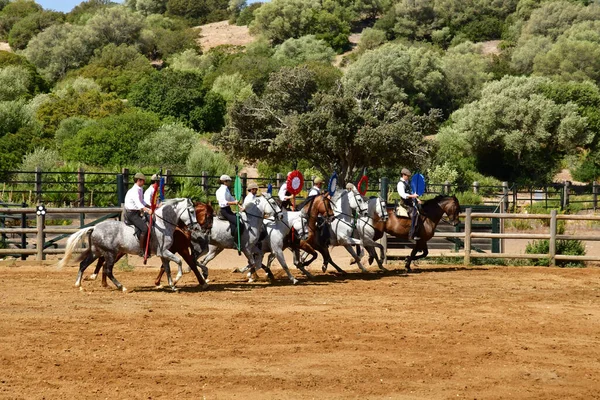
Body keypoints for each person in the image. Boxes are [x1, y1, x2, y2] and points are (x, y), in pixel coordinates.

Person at [124, 172, 152, 255]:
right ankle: (141, 250)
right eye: (143, 180)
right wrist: (147, 210)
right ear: (139, 180)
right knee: (145, 229)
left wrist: (150, 206)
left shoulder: (140, 189)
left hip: (136, 212)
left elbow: (142, 201)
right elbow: (138, 204)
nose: (144, 182)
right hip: (131, 214)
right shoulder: (134, 191)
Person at [216, 174, 242, 245]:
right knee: (239, 223)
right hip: (224, 211)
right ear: (225, 182)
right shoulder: (221, 190)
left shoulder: (226, 189)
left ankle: (233, 235)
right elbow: (223, 203)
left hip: (228, 209)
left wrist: (239, 205)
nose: (230, 183)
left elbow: (231, 198)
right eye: (229, 181)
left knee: (239, 218)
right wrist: (234, 202)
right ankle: (235, 242)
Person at [397, 168, 421, 240]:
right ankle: (411, 234)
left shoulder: (407, 182)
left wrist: (416, 199)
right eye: (407, 176)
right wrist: (413, 196)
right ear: (403, 175)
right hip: (404, 203)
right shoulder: (400, 184)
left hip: (410, 202)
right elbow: (403, 195)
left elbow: (410, 193)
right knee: (414, 214)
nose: (408, 177)